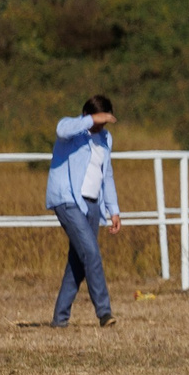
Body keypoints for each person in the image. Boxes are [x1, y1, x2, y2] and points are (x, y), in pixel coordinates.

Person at [46, 96, 122, 328]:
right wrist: (90, 120)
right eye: (100, 120)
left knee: (79, 261)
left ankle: (60, 319)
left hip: (92, 204)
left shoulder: (105, 139)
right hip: (67, 200)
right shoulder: (73, 130)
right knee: (91, 252)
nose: (102, 126)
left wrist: (113, 210)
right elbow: (61, 129)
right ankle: (104, 312)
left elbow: (105, 175)